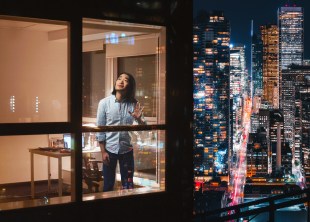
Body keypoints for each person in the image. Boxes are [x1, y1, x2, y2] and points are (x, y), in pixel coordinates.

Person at [96, 72, 146, 192]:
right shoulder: (104, 103)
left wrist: (138, 118)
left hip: (127, 151)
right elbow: (100, 130)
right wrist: (103, 152)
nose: (121, 81)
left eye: (126, 80)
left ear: (130, 85)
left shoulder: (134, 104)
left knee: (128, 186)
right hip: (109, 150)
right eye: (119, 78)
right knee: (108, 185)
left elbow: (144, 127)